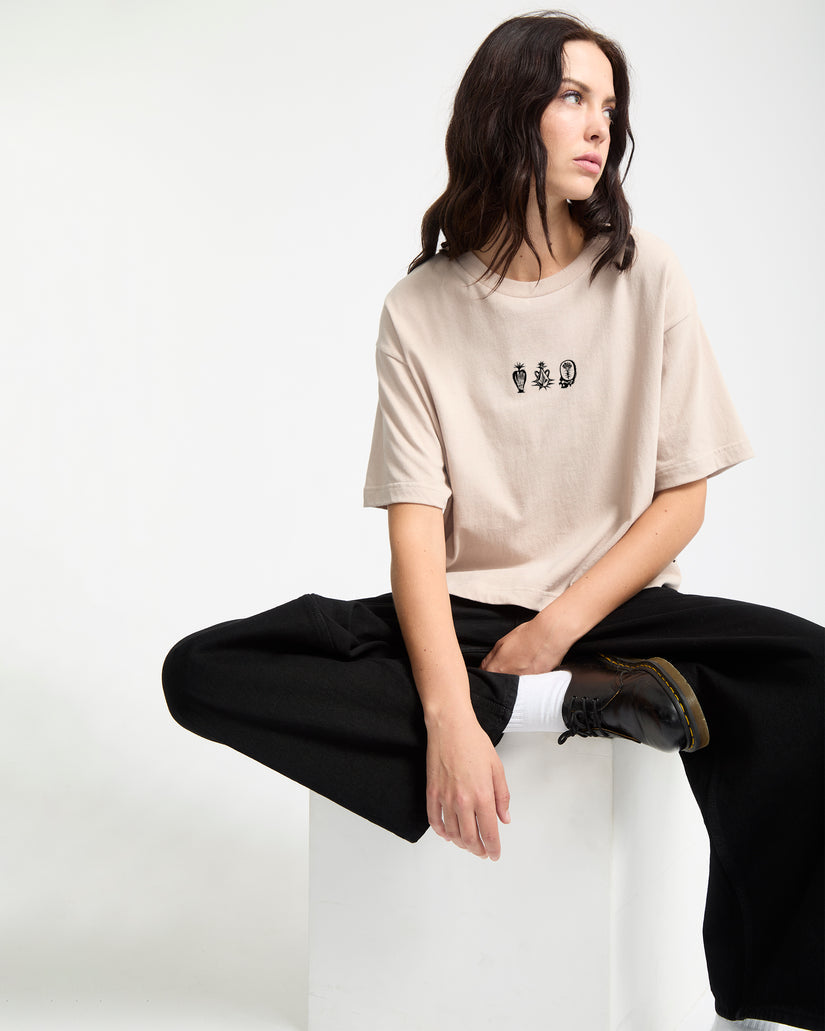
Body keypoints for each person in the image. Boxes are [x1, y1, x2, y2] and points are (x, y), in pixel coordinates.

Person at [161, 12, 824, 1030]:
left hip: (618, 607)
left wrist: (556, 630)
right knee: (206, 668)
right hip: (468, 612)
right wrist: (455, 716)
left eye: (609, 106)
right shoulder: (420, 309)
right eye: (573, 98)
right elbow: (415, 532)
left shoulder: (646, 274)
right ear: (509, 111)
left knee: (807, 672)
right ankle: (546, 704)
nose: (599, 126)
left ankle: (767, 998)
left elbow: (682, 496)